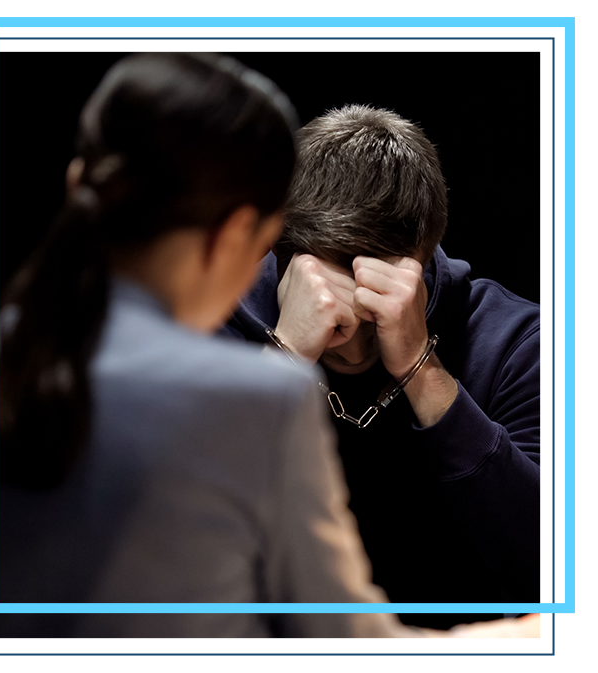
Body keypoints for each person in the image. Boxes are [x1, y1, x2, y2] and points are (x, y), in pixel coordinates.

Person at [0, 53, 540, 641]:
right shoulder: (262, 394)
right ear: (247, 235)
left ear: (78, 182)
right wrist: (512, 637)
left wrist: (420, 369)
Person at [221, 104, 542, 630]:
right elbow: (163, 542)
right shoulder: (206, 326)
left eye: (376, 317)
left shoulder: (515, 341)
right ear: (277, 249)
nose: (350, 348)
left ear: (426, 253)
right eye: (332, 312)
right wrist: (285, 354)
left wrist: (420, 366)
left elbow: (547, 570)